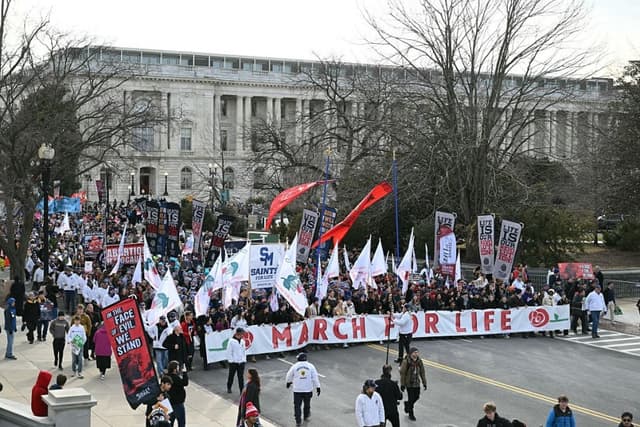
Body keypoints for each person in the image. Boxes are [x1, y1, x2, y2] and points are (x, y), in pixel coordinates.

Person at [285, 352, 321, 427]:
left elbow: (289, 375)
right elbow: (315, 377)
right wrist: (318, 387)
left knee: (297, 405)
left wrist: (288, 383)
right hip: (308, 389)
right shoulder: (311, 366)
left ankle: (298, 420)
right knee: (307, 404)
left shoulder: (295, 366)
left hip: (297, 390)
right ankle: (306, 416)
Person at [399, 347, 426, 422]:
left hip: (416, 383)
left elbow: (422, 372)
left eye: (417, 352)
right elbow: (403, 373)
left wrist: (424, 383)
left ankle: (407, 404)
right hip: (409, 383)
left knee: (416, 396)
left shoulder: (419, 361)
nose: (416, 354)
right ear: (411, 353)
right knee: (411, 398)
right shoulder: (406, 362)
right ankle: (411, 413)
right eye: (415, 352)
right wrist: (402, 384)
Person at [166, 360, 188, 427]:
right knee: (181, 422)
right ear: (175, 369)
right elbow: (185, 383)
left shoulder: (166, 377)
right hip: (178, 404)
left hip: (169, 403)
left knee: (170, 422)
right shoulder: (175, 378)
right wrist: (184, 373)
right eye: (178, 367)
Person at [227, 327, 247, 394]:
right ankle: (229, 387)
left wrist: (244, 360)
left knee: (241, 377)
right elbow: (229, 352)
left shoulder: (242, 342)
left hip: (241, 362)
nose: (243, 335)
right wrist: (231, 361)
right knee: (231, 375)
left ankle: (241, 390)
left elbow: (244, 351)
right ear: (238, 334)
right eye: (242, 334)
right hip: (233, 363)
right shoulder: (231, 341)